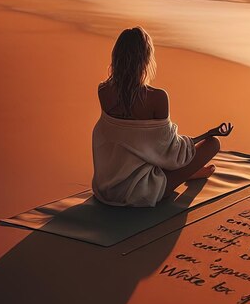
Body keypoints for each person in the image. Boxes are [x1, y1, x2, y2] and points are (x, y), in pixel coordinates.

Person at [92, 26, 233, 207]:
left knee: (158, 151)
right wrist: (207, 134)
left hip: (106, 189)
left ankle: (188, 172)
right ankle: (187, 173)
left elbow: (140, 142)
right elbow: (170, 150)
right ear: (145, 59)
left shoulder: (103, 91)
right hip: (139, 192)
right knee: (213, 144)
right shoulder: (156, 97)